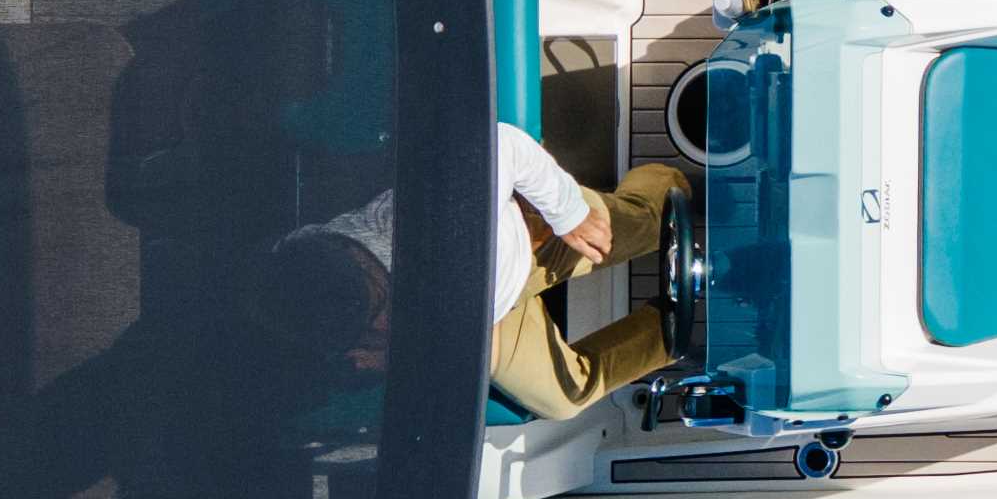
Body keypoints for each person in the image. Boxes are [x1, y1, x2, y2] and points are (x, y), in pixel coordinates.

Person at [256, 121, 691, 419]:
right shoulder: (307, 304)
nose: (387, 322)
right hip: (489, 321)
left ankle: (675, 178)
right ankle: (676, 330)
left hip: (530, 235)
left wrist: (569, 215)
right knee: (564, 397)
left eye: (382, 301)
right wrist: (385, 356)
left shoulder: (427, 217)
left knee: (649, 224)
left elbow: (504, 143)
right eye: (371, 324)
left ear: (353, 253)